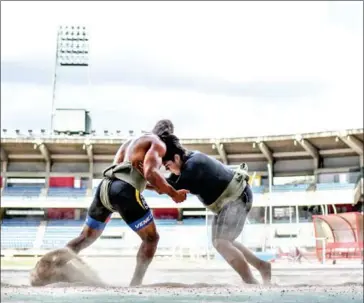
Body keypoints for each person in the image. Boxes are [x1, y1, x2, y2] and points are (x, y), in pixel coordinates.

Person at [30, 120, 189, 287]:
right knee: (151, 238)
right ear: (168, 135)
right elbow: (150, 172)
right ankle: (135, 283)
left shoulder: (131, 143)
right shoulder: (158, 144)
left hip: (104, 188)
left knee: (85, 238)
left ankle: (52, 268)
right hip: (124, 191)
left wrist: (154, 188)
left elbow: (122, 172)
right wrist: (173, 193)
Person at [149, 132, 272, 285]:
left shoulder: (193, 166)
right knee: (223, 241)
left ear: (176, 158)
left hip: (236, 197)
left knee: (222, 242)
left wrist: (139, 182)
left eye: (168, 166)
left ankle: (250, 281)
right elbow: (166, 184)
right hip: (228, 202)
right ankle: (262, 266)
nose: (168, 170)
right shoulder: (186, 163)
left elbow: (167, 188)